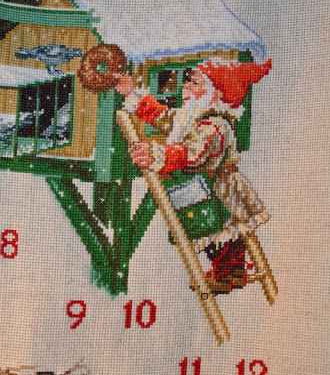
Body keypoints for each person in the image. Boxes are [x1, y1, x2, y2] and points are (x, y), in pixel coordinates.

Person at [115, 59, 272, 293]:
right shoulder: (191, 117)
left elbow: (191, 154)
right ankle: (229, 271)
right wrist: (132, 94)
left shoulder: (214, 124)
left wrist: (157, 154)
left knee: (220, 234)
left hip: (220, 192)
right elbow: (162, 117)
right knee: (212, 233)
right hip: (204, 189)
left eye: (195, 83)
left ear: (215, 93)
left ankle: (229, 273)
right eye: (188, 80)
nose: (186, 85)